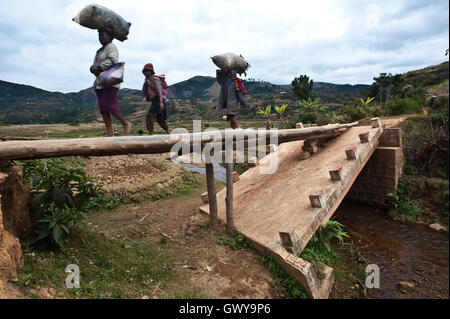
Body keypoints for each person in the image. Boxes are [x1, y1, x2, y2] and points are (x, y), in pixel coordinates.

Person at [90, 27, 131, 137]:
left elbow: (113, 60)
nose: (100, 37)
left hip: (110, 80)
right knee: (103, 109)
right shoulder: (99, 51)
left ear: (109, 36)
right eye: (99, 35)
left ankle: (126, 123)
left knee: (109, 105)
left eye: (102, 35)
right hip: (100, 82)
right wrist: (93, 68)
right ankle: (110, 133)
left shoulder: (111, 48)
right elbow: (95, 65)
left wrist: (98, 68)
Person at [141, 63, 170, 135]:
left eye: (148, 71)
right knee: (159, 118)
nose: (146, 73)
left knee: (150, 116)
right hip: (155, 100)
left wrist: (161, 102)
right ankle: (168, 132)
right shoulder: (148, 80)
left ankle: (150, 133)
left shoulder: (155, 79)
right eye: (145, 71)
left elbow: (159, 90)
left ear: (151, 72)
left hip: (158, 99)